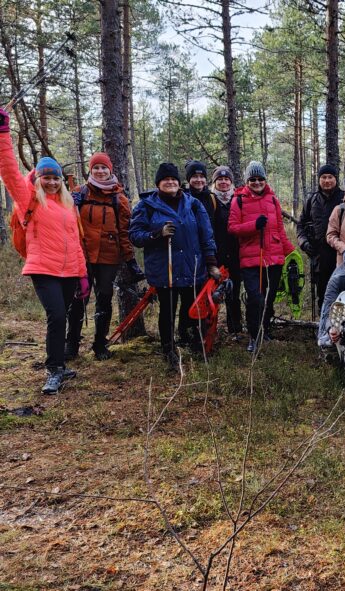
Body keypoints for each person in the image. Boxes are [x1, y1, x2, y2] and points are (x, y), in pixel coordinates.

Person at [0, 107, 88, 393]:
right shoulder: (29, 200)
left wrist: (82, 274)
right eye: (46, 178)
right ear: (38, 179)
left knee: (63, 317)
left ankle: (60, 365)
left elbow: (76, 242)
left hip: (70, 271)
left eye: (55, 178)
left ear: (61, 180)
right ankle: (53, 370)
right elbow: (9, 171)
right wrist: (3, 133)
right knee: (57, 316)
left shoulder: (68, 204)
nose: (51, 182)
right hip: (43, 268)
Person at [129, 162, 218, 368]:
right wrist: (156, 234)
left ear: (179, 182)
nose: (170, 182)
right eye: (165, 180)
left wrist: (211, 263)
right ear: (158, 183)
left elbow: (206, 235)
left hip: (192, 267)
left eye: (173, 179)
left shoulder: (193, 204)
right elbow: (135, 235)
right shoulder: (146, 206)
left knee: (191, 308)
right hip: (165, 268)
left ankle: (190, 340)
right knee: (167, 310)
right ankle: (168, 349)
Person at [65, 152, 139, 361]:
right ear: (90, 170)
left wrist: (130, 259)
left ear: (110, 170)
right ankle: (71, 344)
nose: (100, 171)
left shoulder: (119, 198)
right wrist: (70, 205)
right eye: (96, 167)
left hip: (108, 258)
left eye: (103, 168)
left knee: (104, 299)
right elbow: (66, 224)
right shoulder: (78, 193)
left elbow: (124, 232)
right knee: (78, 299)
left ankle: (100, 343)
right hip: (82, 257)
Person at [228, 161, 295, 353]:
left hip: (274, 259)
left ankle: (264, 330)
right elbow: (232, 228)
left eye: (260, 179)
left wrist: (290, 252)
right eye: (253, 179)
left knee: (268, 298)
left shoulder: (273, 200)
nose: (257, 182)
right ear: (247, 181)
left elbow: (280, 229)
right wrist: (253, 226)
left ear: (265, 180)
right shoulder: (238, 200)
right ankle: (253, 335)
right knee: (255, 298)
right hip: (251, 260)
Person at [297, 164, 344, 310]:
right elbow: (300, 225)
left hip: (341, 255)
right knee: (323, 295)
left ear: (335, 179)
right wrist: (304, 243)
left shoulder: (344, 198)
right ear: (319, 179)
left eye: (330, 177)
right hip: (319, 257)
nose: (327, 180)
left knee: (342, 293)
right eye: (323, 177)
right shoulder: (312, 200)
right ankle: (323, 322)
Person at [210, 165, 242, 336]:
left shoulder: (238, 199)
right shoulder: (210, 200)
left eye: (226, 179)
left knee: (234, 292)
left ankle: (235, 328)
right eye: (220, 179)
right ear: (214, 182)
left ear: (231, 181)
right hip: (216, 256)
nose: (223, 182)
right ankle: (210, 330)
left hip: (236, 255)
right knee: (212, 293)